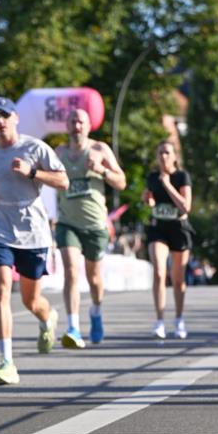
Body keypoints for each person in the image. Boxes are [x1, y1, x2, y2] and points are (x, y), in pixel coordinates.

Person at [0, 97, 68, 385]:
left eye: (4, 115)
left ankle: (47, 317)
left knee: (30, 299)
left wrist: (33, 172)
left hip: (33, 231)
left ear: (15, 118)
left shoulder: (35, 147)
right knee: (1, 289)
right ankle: (6, 361)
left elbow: (63, 182)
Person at [54, 108, 126, 347]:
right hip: (67, 223)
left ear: (88, 125)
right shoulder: (59, 153)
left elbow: (121, 182)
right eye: (73, 122)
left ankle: (95, 312)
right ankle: (73, 327)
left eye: (81, 122)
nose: (76, 126)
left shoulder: (100, 149)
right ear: (67, 126)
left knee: (94, 278)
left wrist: (102, 170)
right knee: (72, 271)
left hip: (95, 224)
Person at [142, 140, 193, 339]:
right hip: (158, 229)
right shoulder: (152, 177)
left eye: (167, 153)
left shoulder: (182, 176)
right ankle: (159, 320)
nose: (163, 156)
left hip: (179, 229)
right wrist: (149, 200)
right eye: (160, 153)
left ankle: (179, 319)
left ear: (174, 156)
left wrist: (168, 184)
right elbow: (152, 202)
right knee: (160, 272)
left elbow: (186, 206)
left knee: (178, 279)